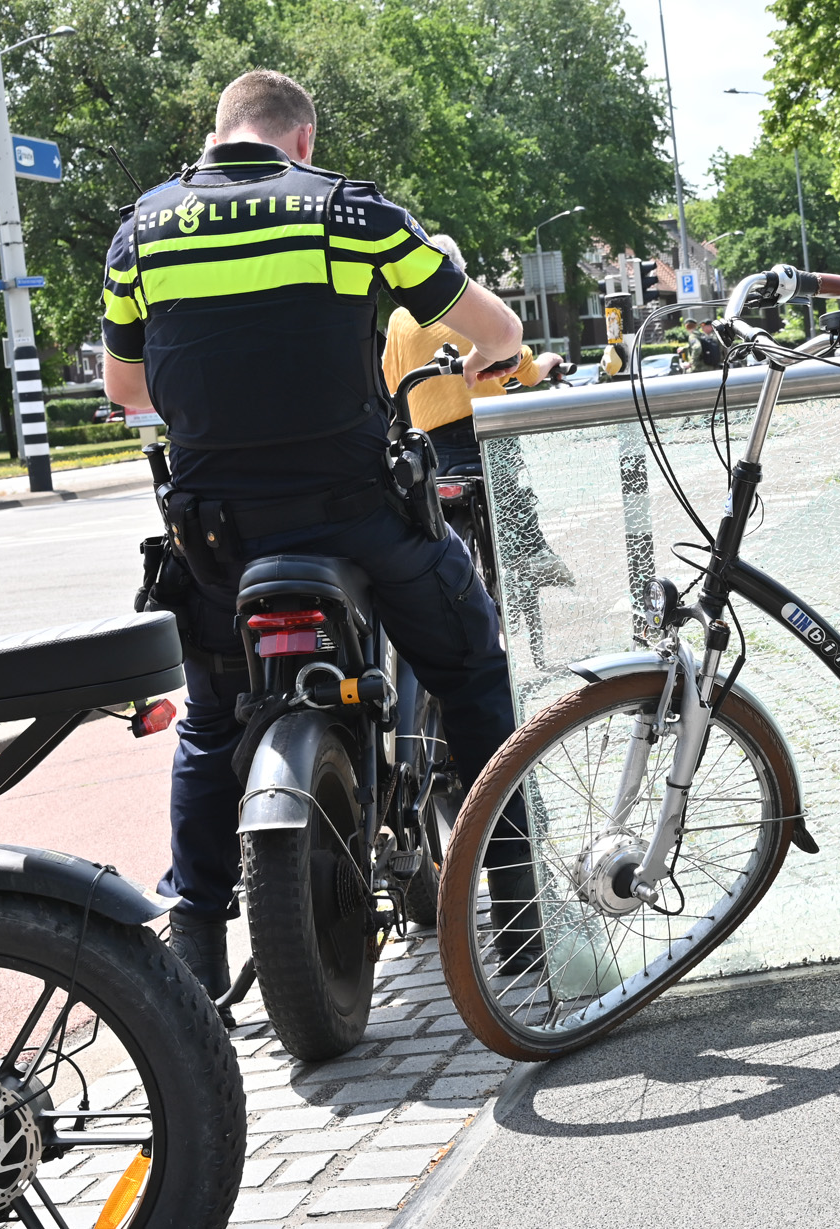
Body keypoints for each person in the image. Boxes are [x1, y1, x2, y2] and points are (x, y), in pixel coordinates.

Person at [100, 70, 535, 1000]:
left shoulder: (141, 230)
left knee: (212, 720)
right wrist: (494, 350)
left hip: (217, 541)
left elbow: (125, 391)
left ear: (219, 134)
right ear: (300, 141)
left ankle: (197, 946)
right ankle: (521, 911)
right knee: (472, 670)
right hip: (355, 514)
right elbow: (490, 326)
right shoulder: (347, 211)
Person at [379, 236, 574, 589]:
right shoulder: (478, 308)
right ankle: (536, 554)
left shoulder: (399, 319)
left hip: (431, 443)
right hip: (482, 429)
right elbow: (527, 372)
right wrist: (553, 360)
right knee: (508, 485)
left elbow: (392, 382)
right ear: (459, 272)